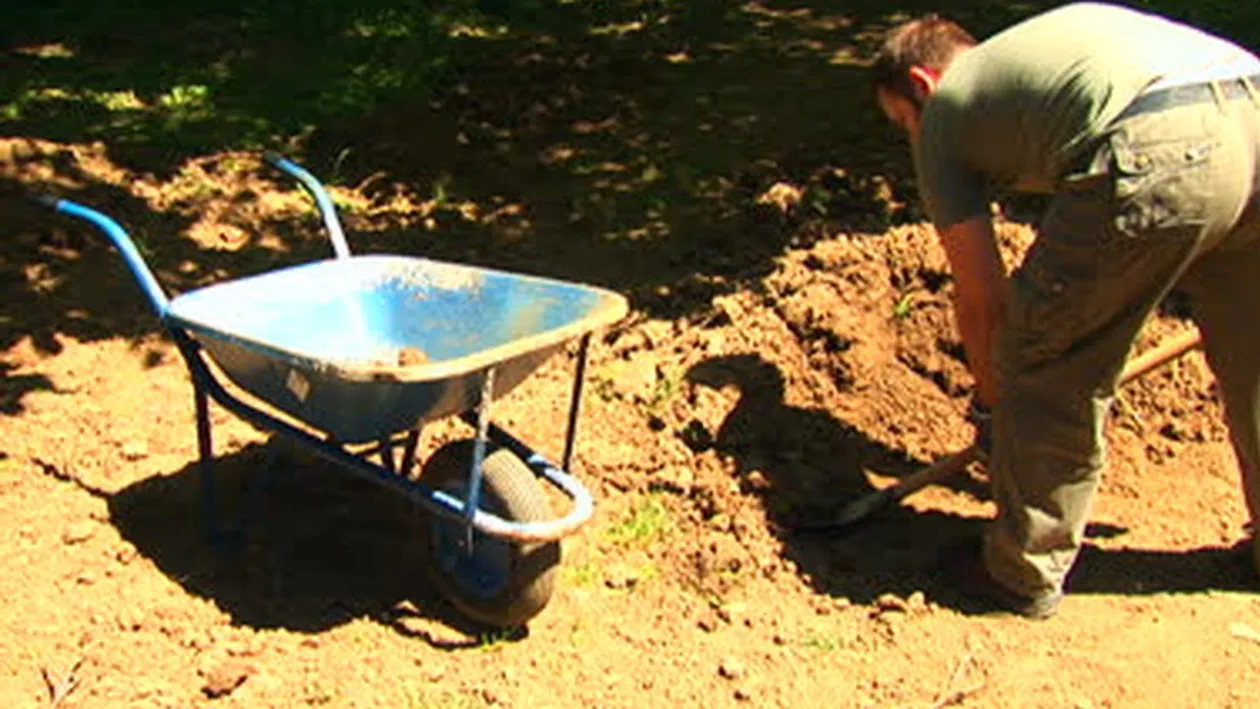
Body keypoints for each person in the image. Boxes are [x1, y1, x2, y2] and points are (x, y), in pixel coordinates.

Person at [871, 1, 1260, 618]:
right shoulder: (1037, 66)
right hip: (1249, 105)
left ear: (922, 85)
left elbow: (984, 302)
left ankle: (1019, 572)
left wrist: (998, 408)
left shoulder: (945, 116)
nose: (912, 138)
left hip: (1160, 137)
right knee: (1253, 352)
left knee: (1042, 350)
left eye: (903, 123)